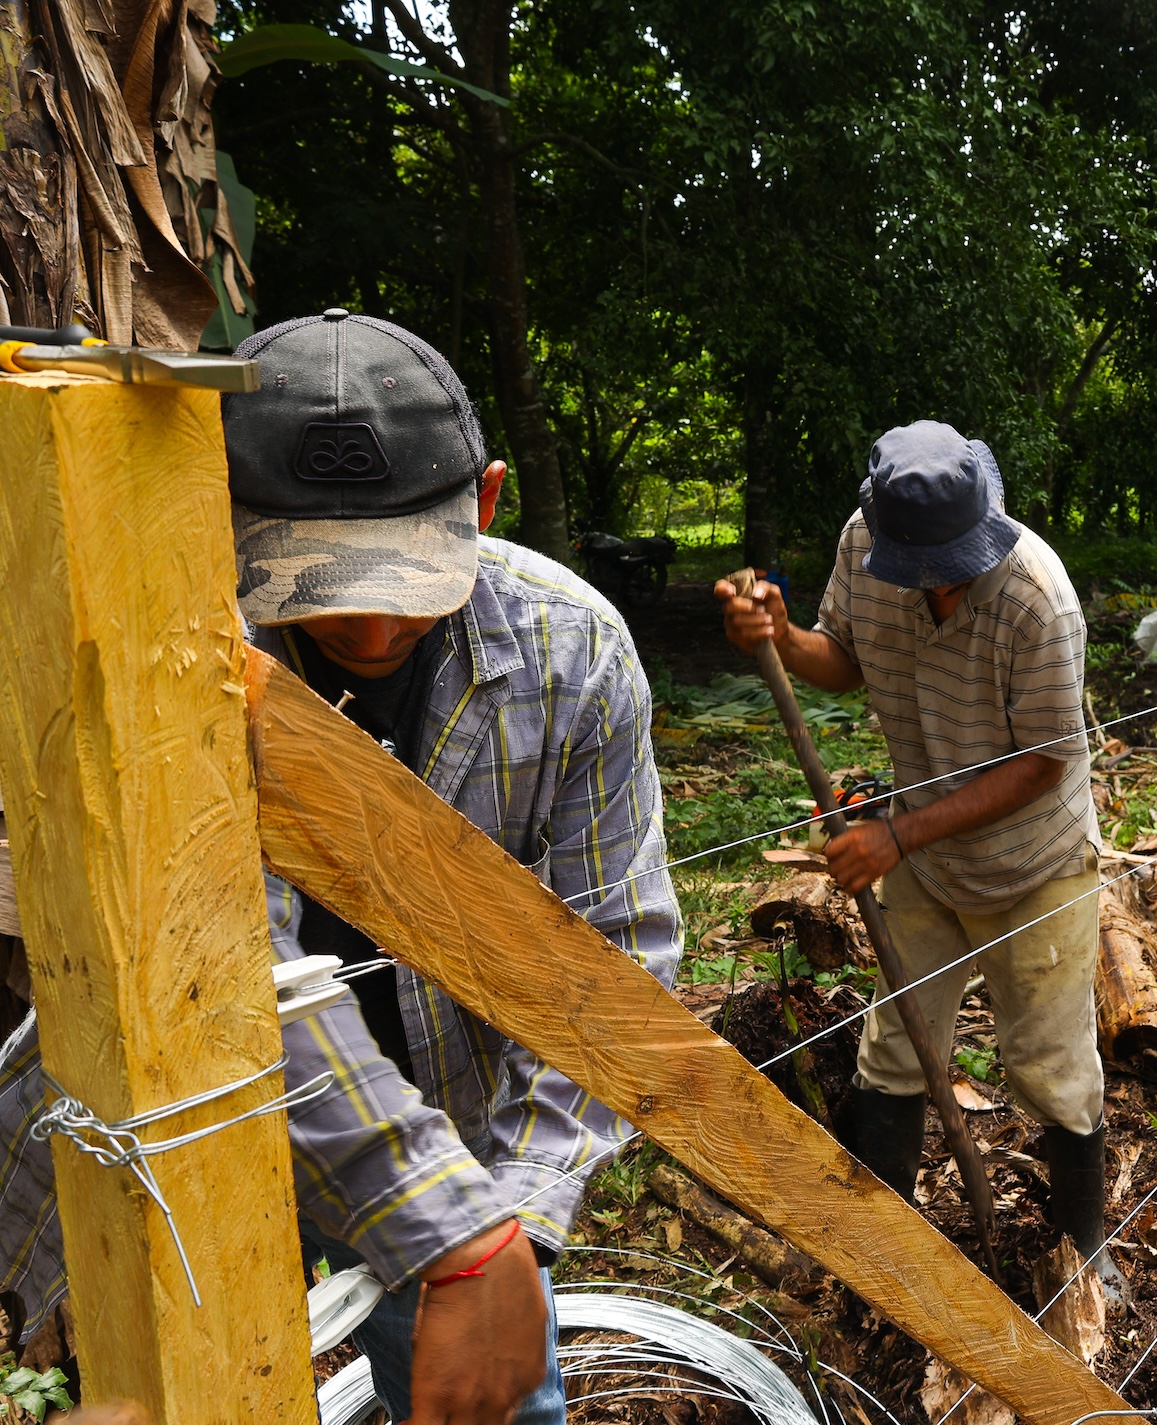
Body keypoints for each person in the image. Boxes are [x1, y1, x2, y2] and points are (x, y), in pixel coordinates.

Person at [0, 311, 682, 1425]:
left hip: (453, 1136)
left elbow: (615, 956)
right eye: (312, 579)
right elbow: (215, 956)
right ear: (219, 518)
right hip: (192, 1133)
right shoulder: (146, 651)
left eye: (403, 578)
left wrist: (504, 1224)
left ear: (486, 503)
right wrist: (451, 1231)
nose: (368, 631)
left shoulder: (573, 650)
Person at [713, 421, 1114, 1283]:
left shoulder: (1036, 596)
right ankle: (885, 1258)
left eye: (960, 559)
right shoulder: (865, 549)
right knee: (893, 1052)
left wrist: (895, 833)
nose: (944, 579)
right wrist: (783, 637)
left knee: (1050, 1067)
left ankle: (1081, 1253)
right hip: (930, 865)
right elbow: (843, 658)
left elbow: (1045, 762)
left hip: (1034, 866)